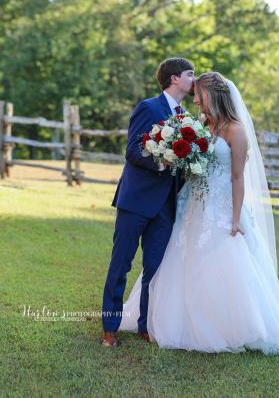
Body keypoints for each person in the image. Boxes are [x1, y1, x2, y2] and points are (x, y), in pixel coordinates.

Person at [120, 71, 279, 354]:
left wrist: (235, 217)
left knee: (222, 261)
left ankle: (226, 326)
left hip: (221, 206)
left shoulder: (236, 131)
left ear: (212, 95)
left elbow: (238, 178)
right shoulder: (203, 125)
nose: (195, 99)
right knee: (178, 255)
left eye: (199, 94)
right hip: (192, 202)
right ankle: (163, 319)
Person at [101, 57, 195, 347]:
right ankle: (109, 327)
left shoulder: (186, 117)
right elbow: (132, 151)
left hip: (166, 205)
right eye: (190, 74)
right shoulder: (148, 107)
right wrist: (164, 164)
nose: (194, 79)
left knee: (154, 269)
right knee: (121, 264)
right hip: (137, 200)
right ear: (174, 79)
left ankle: (145, 324)